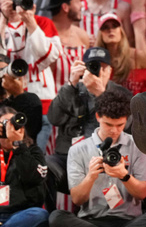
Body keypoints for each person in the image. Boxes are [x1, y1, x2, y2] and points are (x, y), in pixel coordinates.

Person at [49, 90, 146, 227]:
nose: (114, 131)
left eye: (120, 125)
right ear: (98, 117)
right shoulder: (78, 149)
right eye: (109, 125)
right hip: (90, 223)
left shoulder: (138, 146)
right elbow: (77, 199)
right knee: (56, 217)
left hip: (129, 223)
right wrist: (90, 176)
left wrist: (125, 176)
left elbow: (143, 194)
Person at [46, 46, 131, 197]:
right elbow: (54, 118)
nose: (96, 71)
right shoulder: (72, 90)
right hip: (67, 156)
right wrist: (70, 85)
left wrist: (102, 95)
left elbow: (129, 125)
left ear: (110, 70)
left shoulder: (120, 94)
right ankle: (49, 216)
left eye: (101, 67)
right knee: (44, 166)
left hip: (103, 157)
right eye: (92, 66)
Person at [0, 0, 61, 108]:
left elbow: (46, 56)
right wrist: (3, 19)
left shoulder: (43, 23)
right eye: (8, 0)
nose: (13, 4)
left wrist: (30, 21)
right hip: (6, 100)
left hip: (41, 97)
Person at [44, 0, 92, 94]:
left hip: (79, 103)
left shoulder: (82, 35)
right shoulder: (45, 36)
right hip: (54, 101)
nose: (81, 6)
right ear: (65, 7)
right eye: (77, 1)